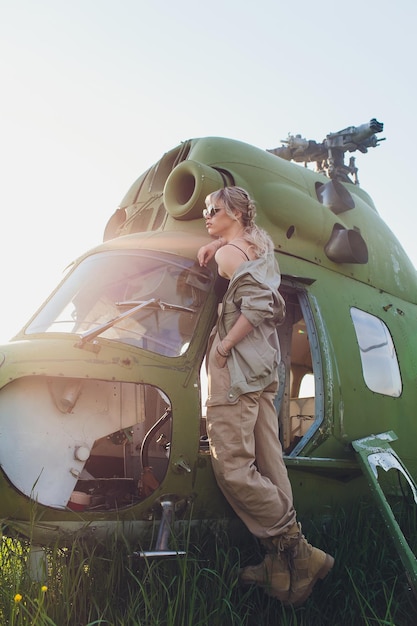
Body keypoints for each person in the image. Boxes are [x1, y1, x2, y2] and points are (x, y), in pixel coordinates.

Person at [197, 186, 334, 606]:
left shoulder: (230, 256)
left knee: (233, 467)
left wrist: (221, 347)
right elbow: (259, 287)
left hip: (237, 370)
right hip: (261, 368)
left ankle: (298, 551)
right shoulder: (258, 247)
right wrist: (219, 240)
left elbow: (258, 304)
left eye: (214, 210)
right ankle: (279, 568)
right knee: (270, 460)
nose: (207, 214)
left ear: (236, 212)